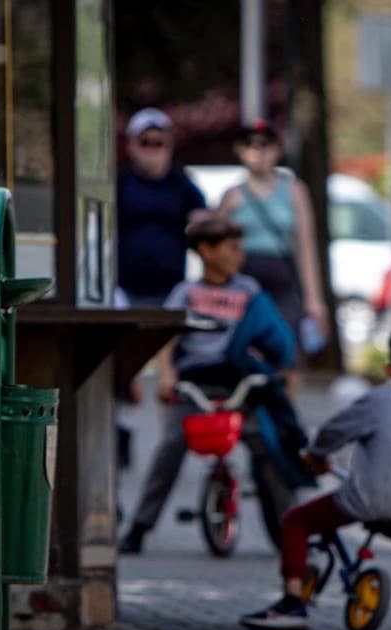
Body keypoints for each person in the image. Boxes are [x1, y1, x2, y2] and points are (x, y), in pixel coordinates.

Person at [240, 326, 391, 630]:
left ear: (390, 369)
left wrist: (316, 455)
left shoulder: (377, 400)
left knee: (296, 521)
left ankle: (291, 603)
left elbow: (334, 432)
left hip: (364, 500)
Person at [118, 214, 299, 555]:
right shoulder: (186, 292)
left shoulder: (248, 291)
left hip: (235, 380)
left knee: (267, 447)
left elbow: (269, 334)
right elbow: (167, 338)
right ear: (207, 251)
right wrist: (167, 374)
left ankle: (288, 533)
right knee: (171, 444)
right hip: (194, 381)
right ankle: (140, 527)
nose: (240, 255)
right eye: (232, 248)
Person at [217, 119, 328, 356]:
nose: (257, 151)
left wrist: (313, 298)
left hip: (284, 278)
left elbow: (306, 247)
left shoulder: (294, 191)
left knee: (286, 348)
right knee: (245, 348)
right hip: (244, 279)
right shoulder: (232, 196)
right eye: (250, 145)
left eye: (264, 144)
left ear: (277, 150)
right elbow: (217, 248)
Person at [115, 107, 206, 308]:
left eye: (159, 143)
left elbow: (202, 223)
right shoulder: (119, 182)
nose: (152, 149)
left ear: (169, 146)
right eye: (144, 142)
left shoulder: (182, 183)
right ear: (131, 145)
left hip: (172, 289)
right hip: (123, 289)